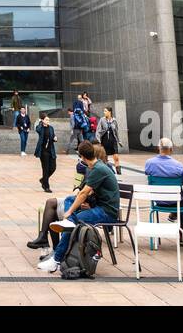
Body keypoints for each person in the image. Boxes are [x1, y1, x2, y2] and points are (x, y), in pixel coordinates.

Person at [39, 141, 122, 273]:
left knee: (75, 221)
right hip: (100, 206)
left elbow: (83, 193)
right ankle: (68, 222)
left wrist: (69, 212)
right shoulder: (96, 167)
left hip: (107, 212)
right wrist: (87, 203)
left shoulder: (98, 169)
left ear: (82, 156)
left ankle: (56, 260)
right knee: (70, 199)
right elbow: (88, 193)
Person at [34, 112, 57, 193]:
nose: (48, 121)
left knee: (53, 168)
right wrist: (41, 123)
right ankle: (46, 186)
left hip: (51, 150)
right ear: (43, 120)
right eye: (46, 120)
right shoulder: (40, 128)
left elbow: (53, 136)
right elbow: (38, 129)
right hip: (43, 152)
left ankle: (43, 179)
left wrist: (55, 138)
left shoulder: (51, 128)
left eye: (48, 120)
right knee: (45, 169)